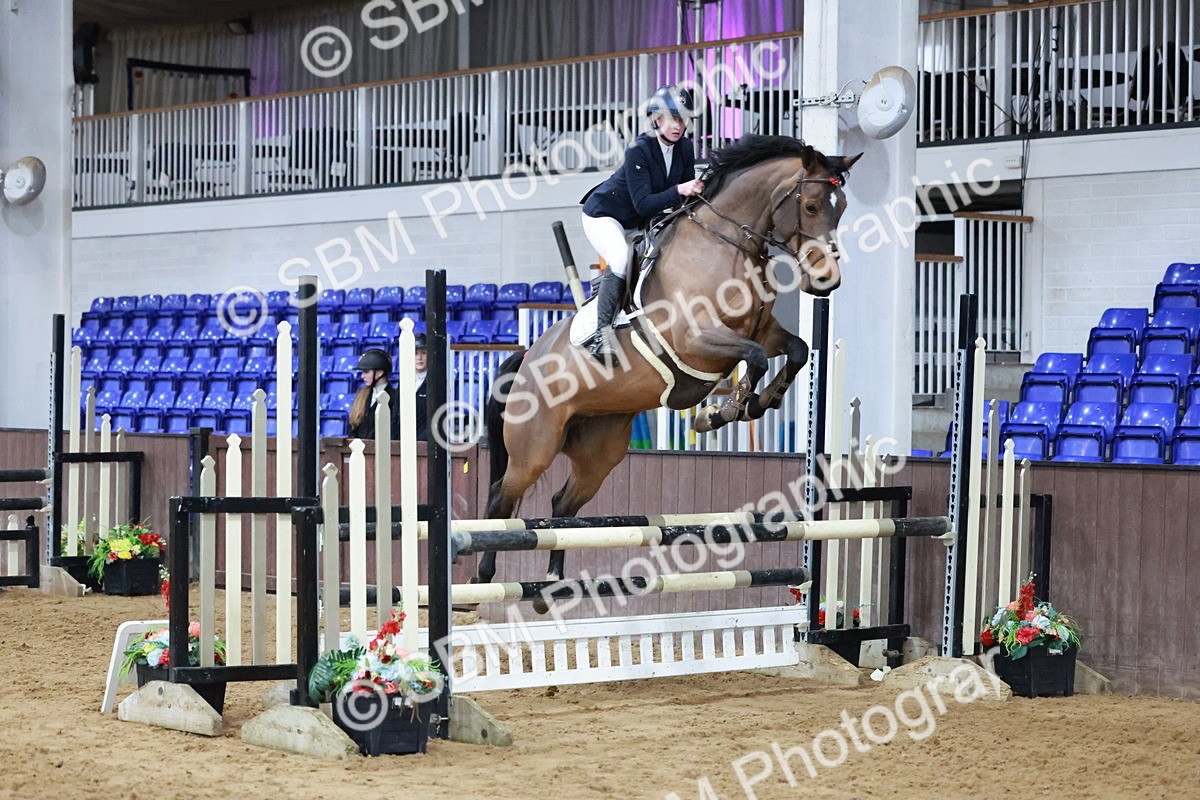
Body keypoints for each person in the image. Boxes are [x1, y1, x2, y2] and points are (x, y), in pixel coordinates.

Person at [580, 84, 705, 362]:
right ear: (656, 119)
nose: (678, 125)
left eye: (683, 119)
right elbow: (644, 203)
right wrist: (680, 189)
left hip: (641, 220)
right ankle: (602, 336)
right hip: (606, 215)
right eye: (672, 118)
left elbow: (682, 201)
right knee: (621, 256)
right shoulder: (640, 148)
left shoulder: (685, 148)